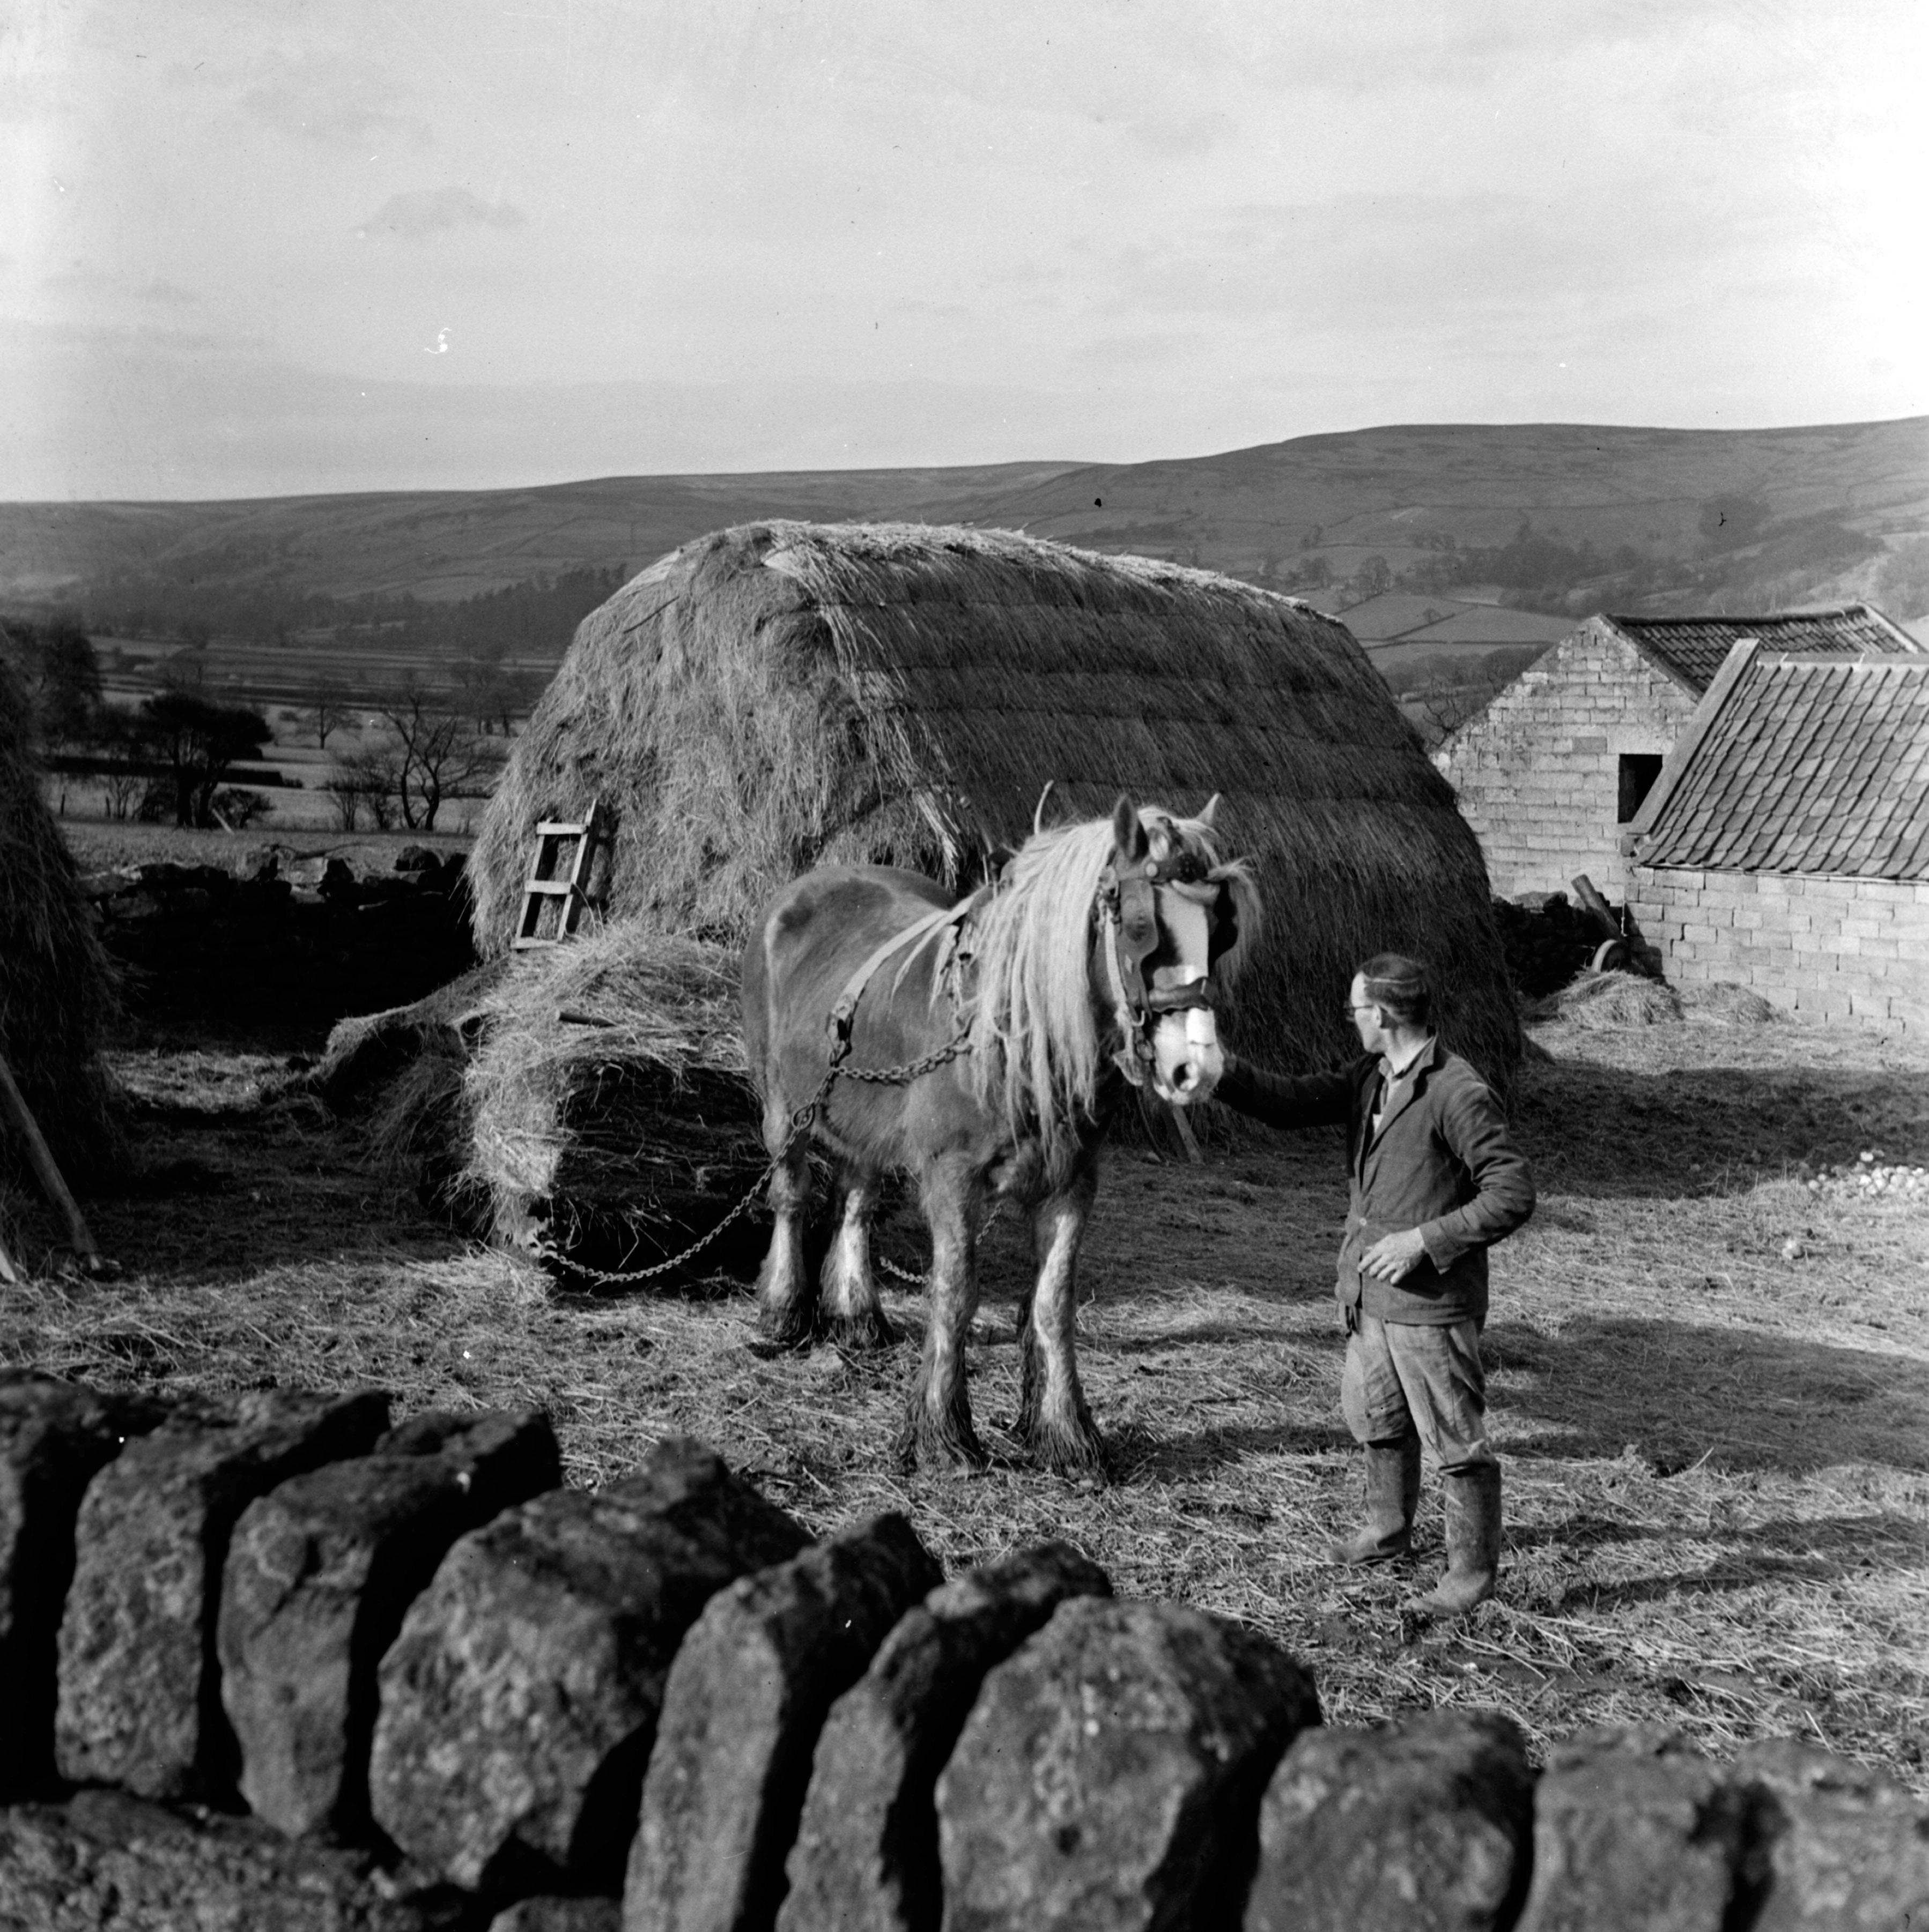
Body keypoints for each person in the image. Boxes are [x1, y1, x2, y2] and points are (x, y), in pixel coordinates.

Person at [1216, 953, 1534, 1613]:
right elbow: (1289, 1102)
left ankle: (1470, 1579)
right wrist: (1219, 1072)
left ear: (1382, 1015)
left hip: (1431, 1306)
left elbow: (1513, 1191)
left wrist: (1425, 1240)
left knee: (1456, 1442)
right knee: (1379, 1420)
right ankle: (1388, 1532)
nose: (1352, 1020)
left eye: (1356, 1010)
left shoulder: (1455, 1090)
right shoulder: (1373, 1076)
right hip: (1370, 1297)